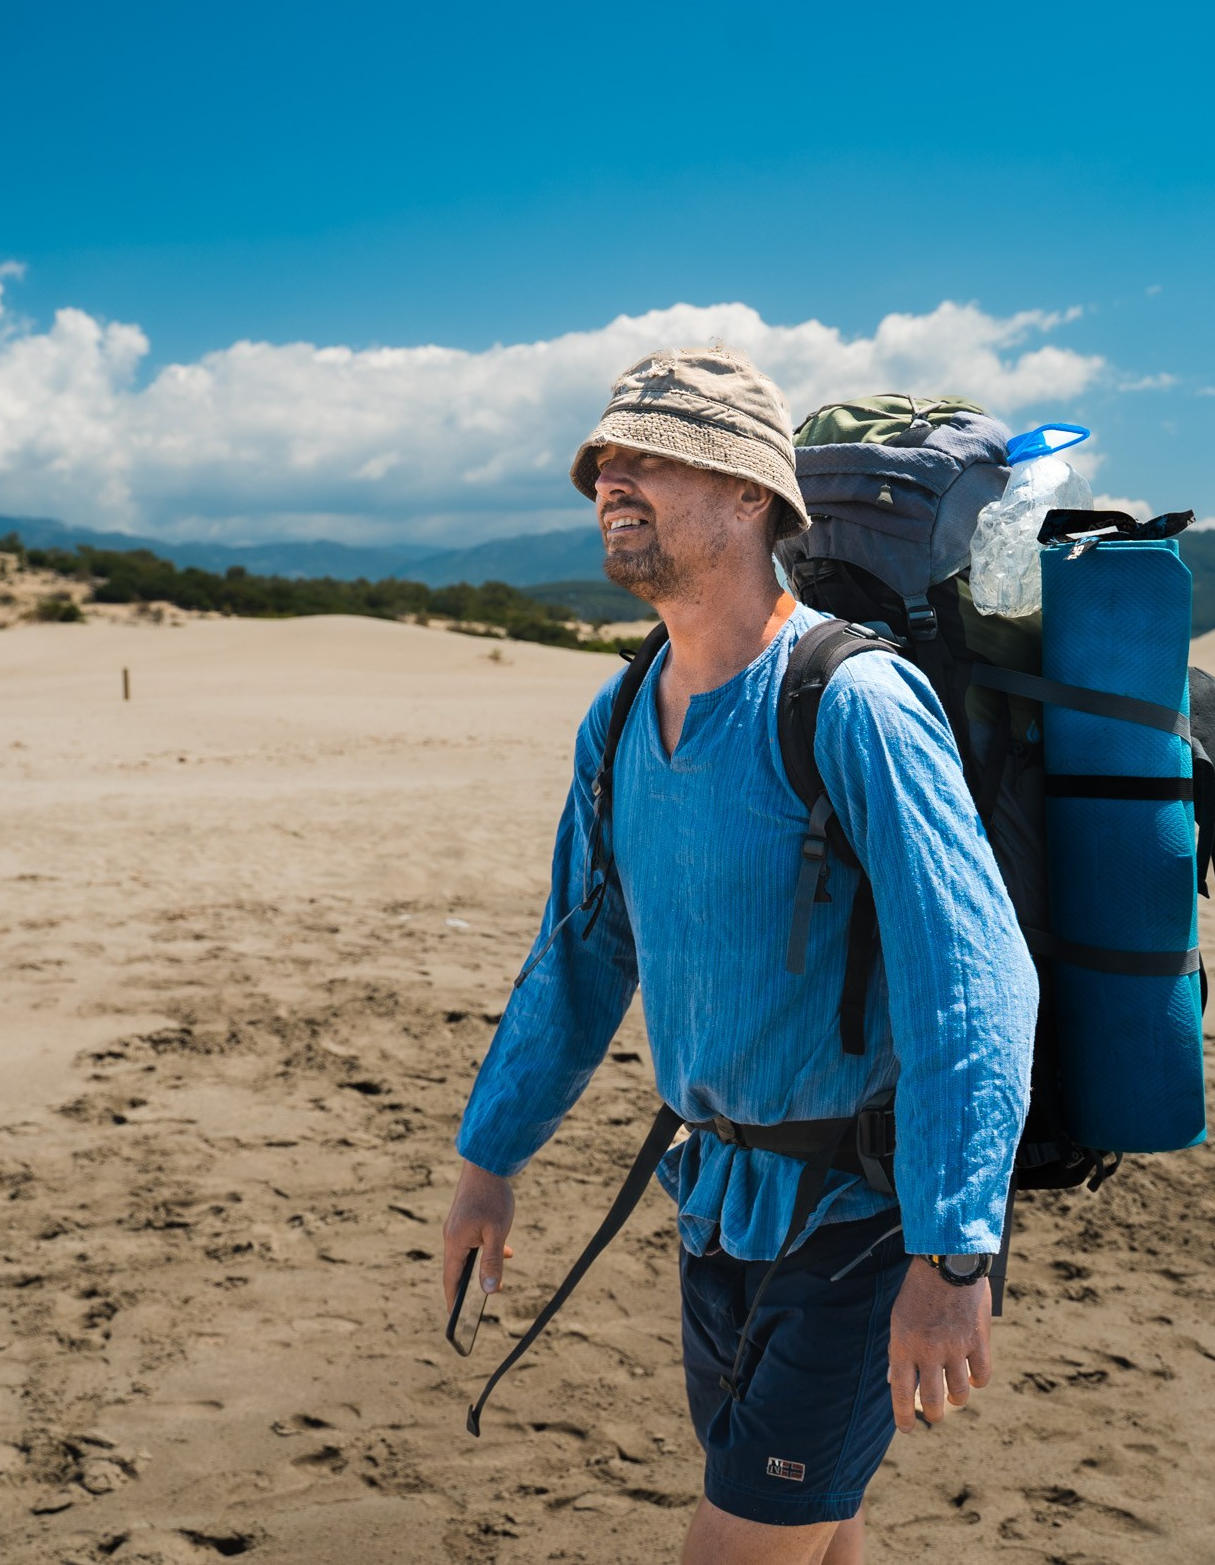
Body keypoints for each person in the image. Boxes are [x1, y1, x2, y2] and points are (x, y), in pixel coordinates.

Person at [442, 347, 1037, 1565]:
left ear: (754, 493)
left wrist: (953, 1249)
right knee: (820, 1532)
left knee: (743, 1542)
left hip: (864, 1221)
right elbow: (580, 955)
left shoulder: (851, 701)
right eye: (606, 457)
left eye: (654, 455)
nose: (613, 474)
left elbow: (972, 982)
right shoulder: (616, 718)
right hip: (715, 1209)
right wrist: (487, 1157)